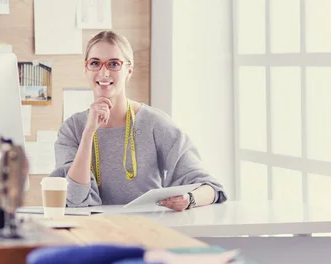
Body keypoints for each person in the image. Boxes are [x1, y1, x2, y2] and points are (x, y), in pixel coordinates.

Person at [50, 30, 226, 211]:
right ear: (86, 69)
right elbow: (75, 199)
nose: (103, 72)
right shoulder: (72, 129)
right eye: (95, 63)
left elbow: (210, 187)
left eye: (114, 64)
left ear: (129, 71)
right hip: (93, 232)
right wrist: (88, 134)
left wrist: (189, 199)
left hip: (148, 230)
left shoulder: (154, 123)